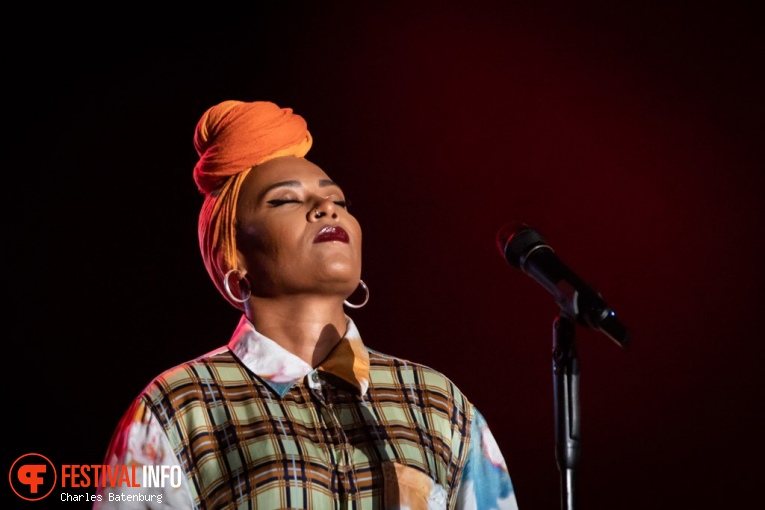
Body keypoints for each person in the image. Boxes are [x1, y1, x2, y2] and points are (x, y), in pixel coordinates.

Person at [94, 100, 519, 509]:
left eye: (338, 200)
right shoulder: (177, 407)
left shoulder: (437, 402)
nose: (326, 207)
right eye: (284, 200)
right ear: (233, 257)